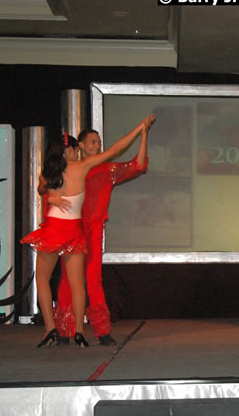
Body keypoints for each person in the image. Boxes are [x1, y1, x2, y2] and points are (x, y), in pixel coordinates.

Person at [21, 114, 155, 348]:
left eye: (99, 141)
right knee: (67, 282)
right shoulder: (77, 167)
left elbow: (137, 165)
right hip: (70, 229)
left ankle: (100, 330)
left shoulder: (106, 168)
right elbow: (43, 188)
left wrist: (143, 134)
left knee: (92, 279)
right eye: (93, 141)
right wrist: (50, 195)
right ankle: (65, 330)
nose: (97, 144)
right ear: (79, 146)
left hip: (89, 230)